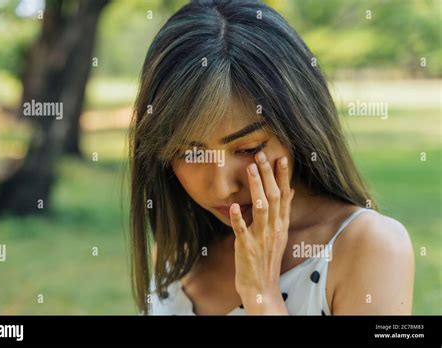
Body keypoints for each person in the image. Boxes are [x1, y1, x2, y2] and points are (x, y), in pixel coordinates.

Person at [128, 0, 414, 315]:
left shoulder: (371, 248)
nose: (222, 187)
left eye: (249, 149)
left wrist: (262, 295)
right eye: (190, 153)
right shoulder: (179, 250)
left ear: (299, 128)